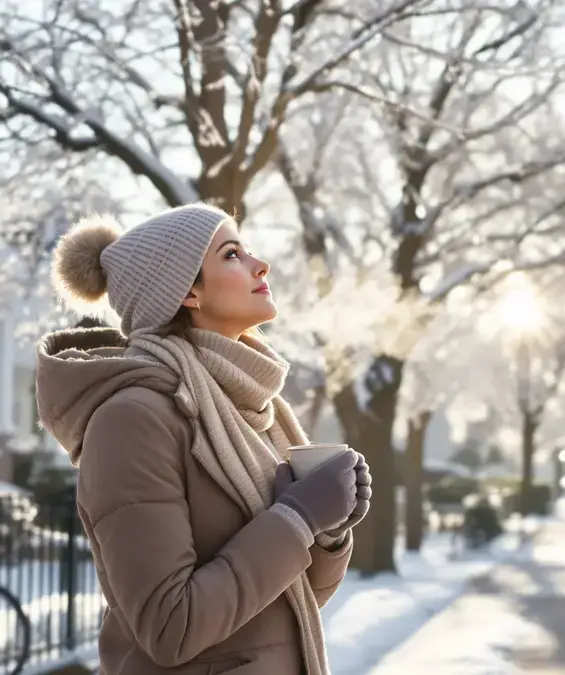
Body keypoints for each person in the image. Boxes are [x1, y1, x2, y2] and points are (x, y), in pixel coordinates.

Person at [35, 204, 372, 675]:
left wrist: (328, 532)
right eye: (232, 254)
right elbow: (171, 627)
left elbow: (287, 607)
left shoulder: (254, 411)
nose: (260, 264)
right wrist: (297, 518)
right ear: (187, 290)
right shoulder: (132, 420)